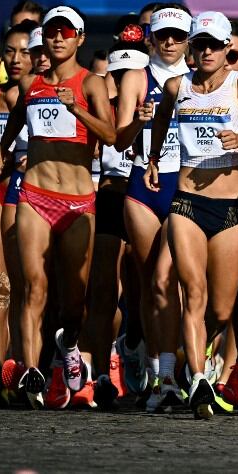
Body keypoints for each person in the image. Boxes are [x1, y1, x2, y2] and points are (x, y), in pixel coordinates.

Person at [145, 11, 238, 419]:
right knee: (194, 293)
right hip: (187, 201)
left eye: (214, 44)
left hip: (229, 209)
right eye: (199, 43)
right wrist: (154, 158)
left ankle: (203, 355)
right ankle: (199, 381)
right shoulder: (177, 85)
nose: (205, 51)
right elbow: (160, 118)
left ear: (228, 49)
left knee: (221, 310)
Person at [0, 5, 116, 409]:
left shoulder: (91, 83)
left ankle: (70, 346)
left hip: (78, 201)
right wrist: (3, 153)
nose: (58, 38)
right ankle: (31, 370)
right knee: (33, 286)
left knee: (74, 301)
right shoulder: (30, 84)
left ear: (79, 38)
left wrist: (75, 107)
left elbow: (111, 135)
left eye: (66, 32)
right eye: (52, 32)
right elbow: (13, 124)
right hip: (35, 196)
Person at [112, 5, 191, 411]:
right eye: (164, 36)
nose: (171, 42)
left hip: (186, 187)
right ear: (151, 39)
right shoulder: (135, 78)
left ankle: (176, 365)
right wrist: (139, 122)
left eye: (179, 35)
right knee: (149, 283)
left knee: (171, 282)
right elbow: (119, 141)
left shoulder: (199, 79)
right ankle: (155, 363)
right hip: (143, 186)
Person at [82, 38, 147, 409]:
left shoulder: (155, 105)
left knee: (142, 289)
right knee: (103, 290)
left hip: (144, 197)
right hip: (108, 197)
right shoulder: (102, 109)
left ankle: (136, 346)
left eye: (128, 74)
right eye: (116, 75)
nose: (122, 81)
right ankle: (103, 373)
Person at [0, 20, 34, 404]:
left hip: (30, 194)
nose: (15, 59)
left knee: (24, 289)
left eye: (25, 51)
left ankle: (25, 365)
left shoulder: (45, 94)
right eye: (10, 51)